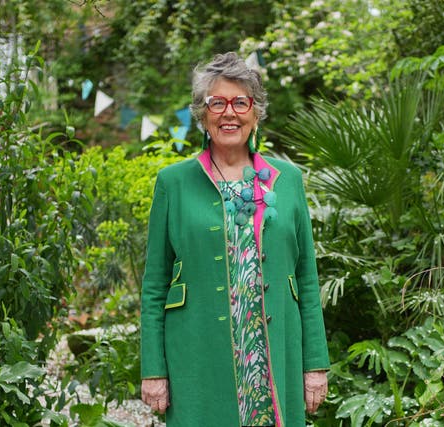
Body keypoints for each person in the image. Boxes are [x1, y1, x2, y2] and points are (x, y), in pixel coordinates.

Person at [140, 52, 330, 427]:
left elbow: (306, 277)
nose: (230, 113)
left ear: (255, 112)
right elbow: (154, 284)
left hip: (275, 353)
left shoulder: (287, 179)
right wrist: (153, 370)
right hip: (196, 352)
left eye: (240, 102)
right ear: (202, 114)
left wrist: (315, 365)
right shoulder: (173, 183)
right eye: (217, 103)